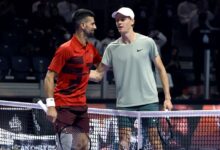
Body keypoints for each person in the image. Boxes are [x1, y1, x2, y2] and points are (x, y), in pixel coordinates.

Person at [89, 7, 173, 150]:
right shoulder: (111, 48)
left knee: (155, 140)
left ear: (132, 21)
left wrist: (167, 98)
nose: (119, 23)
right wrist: (77, 72)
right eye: (117, 20)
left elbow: (161, 69)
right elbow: (98, 75)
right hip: (125, 104)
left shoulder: (147, 42)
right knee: (124, 143)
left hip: (149, 101)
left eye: (123, 19)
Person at [44, 8, 101, 150]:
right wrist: (51, 106)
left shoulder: (91, 49)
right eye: (92, 24)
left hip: (81, 106)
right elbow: (49, 77)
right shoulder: (66, 49)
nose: (95, 27)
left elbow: (100, 71)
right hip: (64, 106)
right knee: (66, 146)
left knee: (83, 145)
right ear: (83, 25)